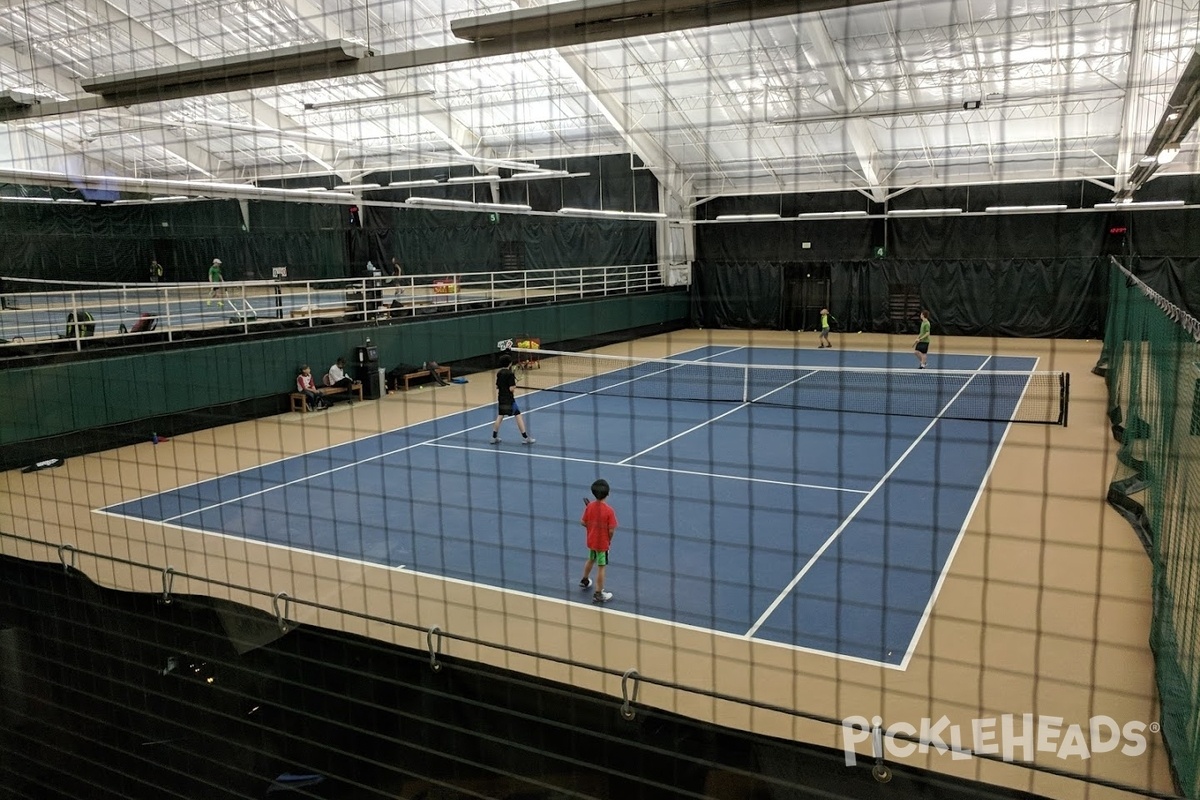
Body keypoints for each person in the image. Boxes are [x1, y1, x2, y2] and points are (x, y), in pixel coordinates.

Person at [579, 479, 617, 604]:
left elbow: (583, 522)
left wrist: (592, 528)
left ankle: (584, 580)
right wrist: (608, 541)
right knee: (601, 567)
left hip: (591, 541)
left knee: (591, 559)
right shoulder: (609, 511)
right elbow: (611, 530)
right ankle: (598, 593)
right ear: (608, 494)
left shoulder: (590, 506)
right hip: (602, 545)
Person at [489, 354, 535, 445]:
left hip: (501, 398)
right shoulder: (510, 374)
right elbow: (511, 389)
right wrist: (514, 385)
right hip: (509, 400)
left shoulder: (499, 373)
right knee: (518, 415)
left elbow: (497, 386)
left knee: (500, 416)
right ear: (510, 363)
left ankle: (494, 437)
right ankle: (526, 437)